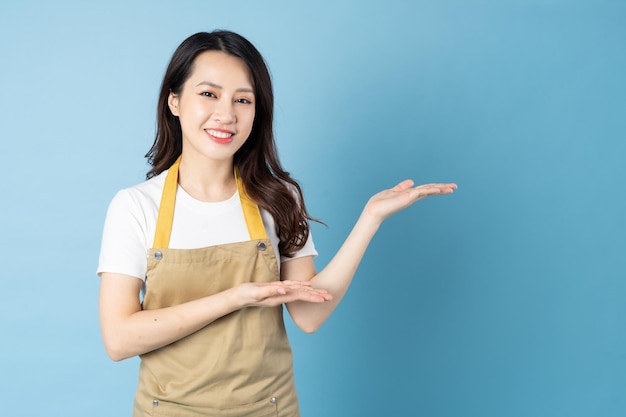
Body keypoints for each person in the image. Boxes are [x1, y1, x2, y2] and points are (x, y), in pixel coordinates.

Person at [97, 30, 457, 417]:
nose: (226, 114)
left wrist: (370, 219)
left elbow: (310, 314)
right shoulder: (135, 206)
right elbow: (119, 339)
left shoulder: (278, 197)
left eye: (242, 99)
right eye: (208, 94)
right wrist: (235, 298)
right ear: (174, 101)